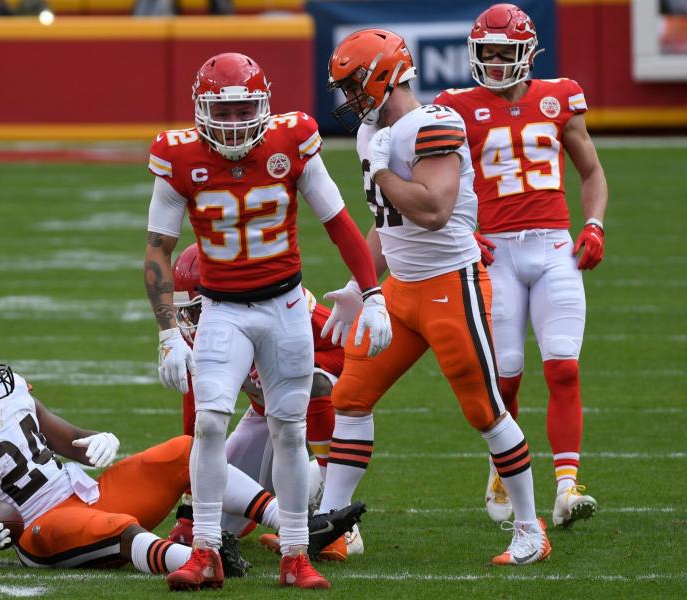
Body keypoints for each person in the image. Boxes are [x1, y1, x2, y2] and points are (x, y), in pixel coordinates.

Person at [144, 52, 391, 590]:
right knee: (208, 423)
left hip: (284, 306)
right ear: (201, 110)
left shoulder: (293, 140)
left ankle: (296, 556)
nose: (233, 124)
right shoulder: (178, 155)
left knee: (288, 430)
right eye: (222, 113)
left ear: (263, 107)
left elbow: (340, 222)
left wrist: (372, 293)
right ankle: (206, 550)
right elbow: (159, 249)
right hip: (221, 309)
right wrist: (167, 330)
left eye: (243, 111)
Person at [320, 28, 550, 566]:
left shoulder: (437, 123)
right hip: (399, 289)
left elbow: (432, 210)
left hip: (452, 284)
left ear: (382, 74)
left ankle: (529, 530)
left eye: (354, 84)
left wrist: (380, 166)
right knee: (350, 398)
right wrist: (362, 285)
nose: (349, 98)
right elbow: (388, 223)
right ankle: (333, 526)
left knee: (485, 411)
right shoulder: (372, 133)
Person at [0, 336, 360, 582]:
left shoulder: (10, 395)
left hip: (85, 492)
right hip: (41, 530)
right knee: (121, 531)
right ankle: (197, 560)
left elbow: (63, 438)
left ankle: (297, 527)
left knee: (185, 451)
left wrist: (96, 439)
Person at [433, 3, 605, 528]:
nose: (496, 61)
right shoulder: (454, 107)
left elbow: (592, 171)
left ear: (529, 53)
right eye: (487, 52)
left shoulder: (559, 97)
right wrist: (467, 231)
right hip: (497, 254)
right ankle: (500, 464)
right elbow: (442, 183)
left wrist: (594, 224)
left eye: (506, 52)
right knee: (504, 377)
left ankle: (567, 487)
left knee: (564, 368)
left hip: (553, 248)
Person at [166, 243, 363, 562]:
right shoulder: (201, 341)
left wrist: (289, 368)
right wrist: (188, 518)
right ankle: (307, 496)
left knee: (315, 383)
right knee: (217, 518)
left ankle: (338, 515)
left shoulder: (287, 305)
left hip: (316, 409)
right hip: (262, 418)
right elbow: (194, 439)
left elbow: (352, 348)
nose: (191, 320)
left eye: (199, 309)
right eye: (187, 311)